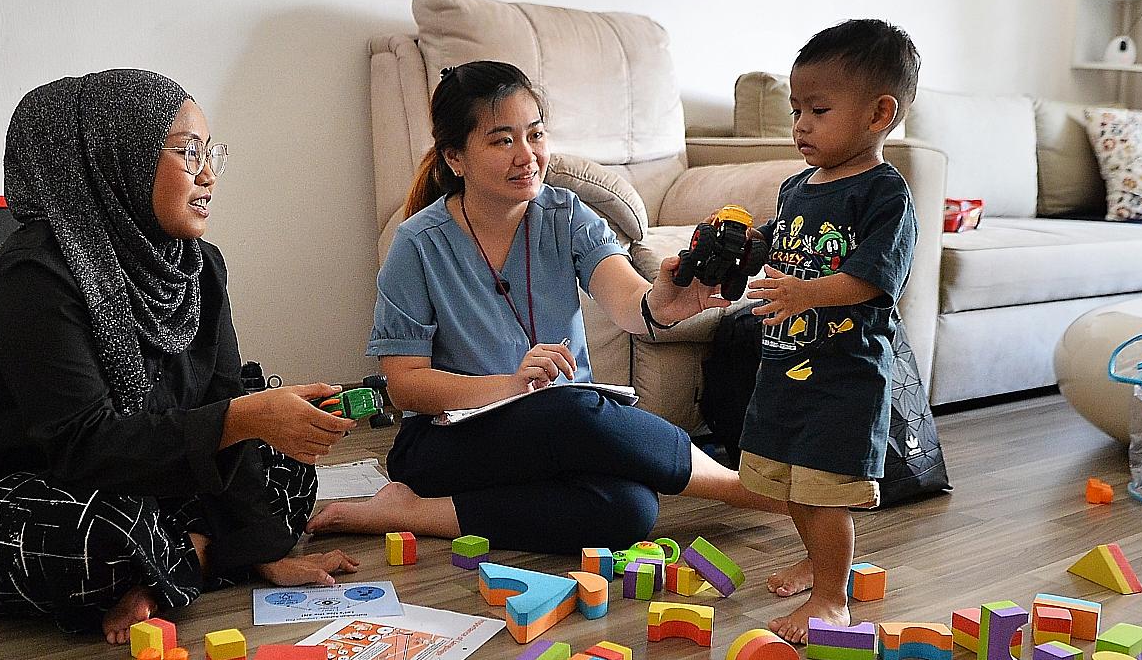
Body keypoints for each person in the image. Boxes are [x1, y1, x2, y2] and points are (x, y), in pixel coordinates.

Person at [0, 69, 360, 645]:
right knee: (100, 541)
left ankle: (173, 561)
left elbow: (221, 399)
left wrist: (266, 541)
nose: (207, 176)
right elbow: (83, 446)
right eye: (185, 153)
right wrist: (242, 424)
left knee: (285, 467)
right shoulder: (33, 275)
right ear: (113, 157)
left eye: (211, 155)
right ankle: (193, 554)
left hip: (103, 477)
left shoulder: (198, 267)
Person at [308, 60, 787, 555]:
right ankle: (744, 488)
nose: (527, 156)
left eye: (535, 134)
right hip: (448, 441)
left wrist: (664, 302)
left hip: (555, 432)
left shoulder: (567, 215)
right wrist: (512, 388)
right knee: (574, 407)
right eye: (502, 141)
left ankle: (416, 513)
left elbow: (628, 300)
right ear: (455, 157)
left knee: (631, 510)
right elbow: (405, 383)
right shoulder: (418, 243)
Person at [741, 20, 921, 643]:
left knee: (824, 490)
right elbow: (781, 244)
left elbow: (872, 280)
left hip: (845, 374)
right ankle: (817, 561)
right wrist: (741, 245)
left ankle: (830, 597)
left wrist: (802, 294)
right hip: (784, 363)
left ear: (878, 113)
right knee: (788, 478)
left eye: (818, 110)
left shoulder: (884, 194)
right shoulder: (796, 188)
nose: (801, 125)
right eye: (796, 109)